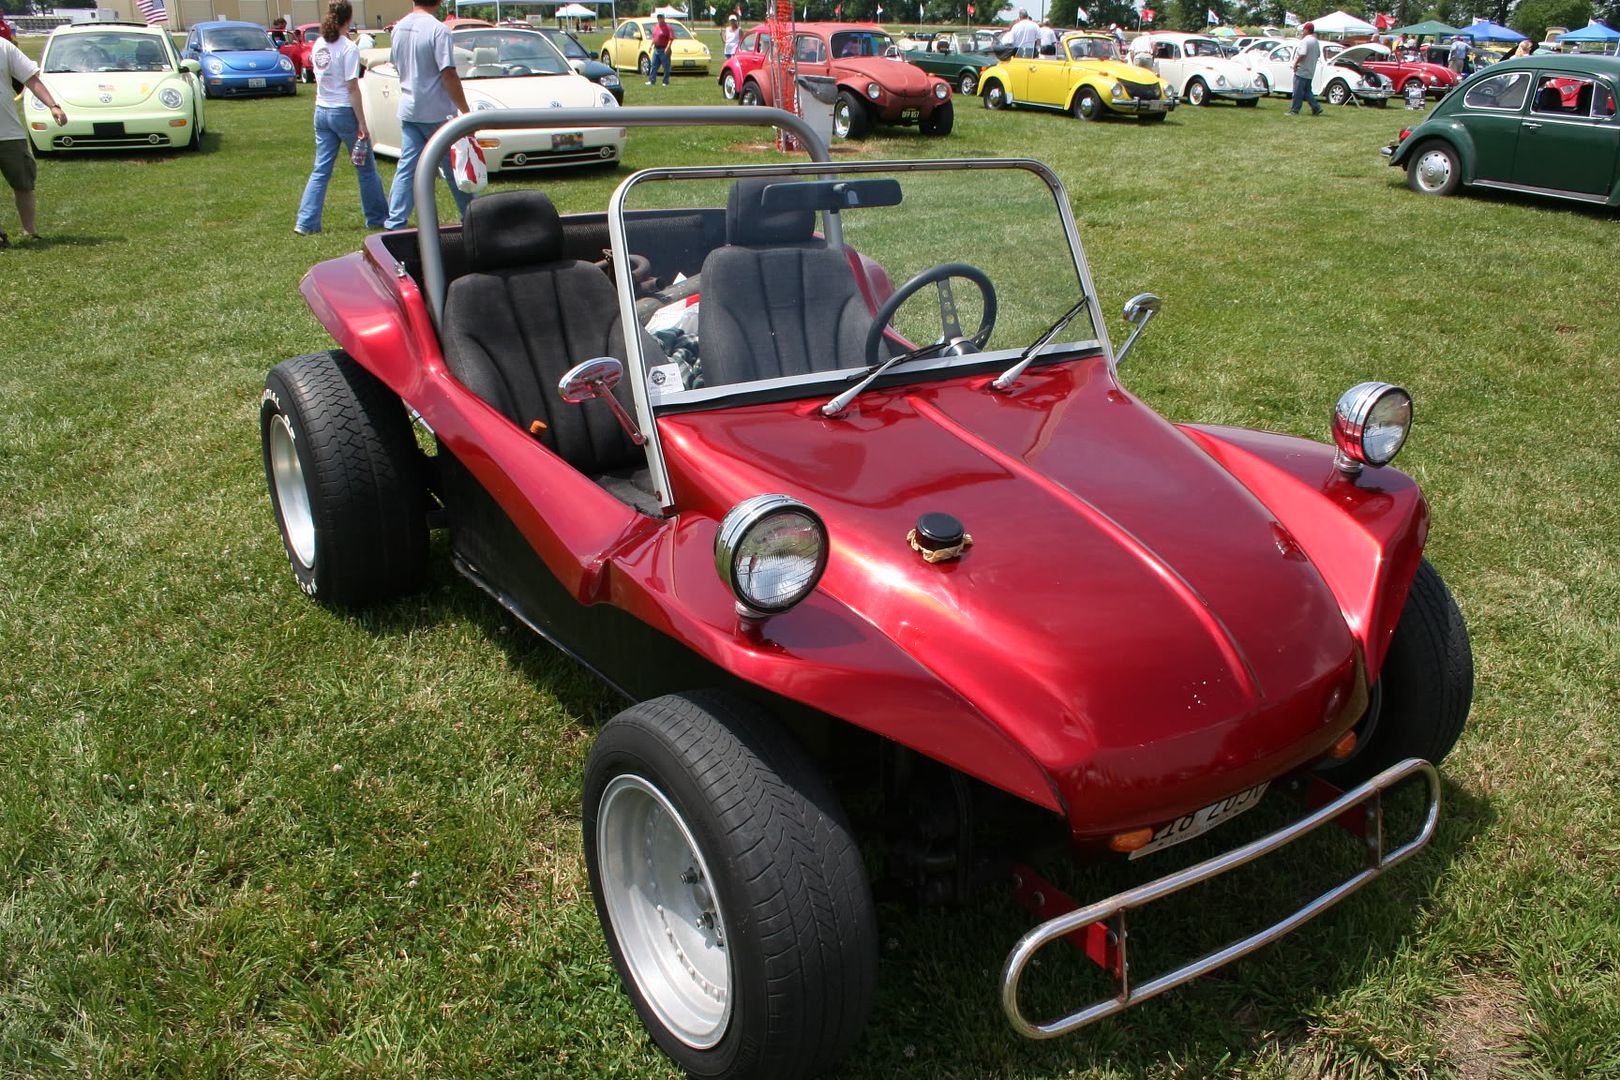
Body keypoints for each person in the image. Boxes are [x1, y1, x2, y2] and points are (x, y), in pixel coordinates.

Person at [296, 0, 386, 235]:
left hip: (322, 111)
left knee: (321, 169)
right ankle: (376, 217)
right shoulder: (347, 48)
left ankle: (306, 223)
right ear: (348, 19)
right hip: (343, 111)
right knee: (365, 168)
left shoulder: (318, 44)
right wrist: (362, 123)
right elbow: (352, 87)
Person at [383, 0, 473, 230]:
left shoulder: (399, 28)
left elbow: (396, 64)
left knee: (407, 169)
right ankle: (472, 217)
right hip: (437, 112)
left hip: (410, 108)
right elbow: (449, 74)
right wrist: (465, 110)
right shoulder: (438, 29)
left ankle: (395, 223)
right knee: (455, 170)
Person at [0, 33, 68, 248]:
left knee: (24, 183)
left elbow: (30, 78)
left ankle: (30, 231)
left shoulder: (3, 47)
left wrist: (53, 105)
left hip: (8, 132)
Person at [1287, 21, 1322, 115]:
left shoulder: (1305, 41)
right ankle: (1316, 107)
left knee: (1297, 92)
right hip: (1310, 70)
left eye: (1304, 30)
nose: (1303, 32)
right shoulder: (1315, 41)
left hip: (1301, 70)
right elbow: (1318, 55)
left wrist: (1295, 64)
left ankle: (1294, 110)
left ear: (1307, 30)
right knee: (1307, 91)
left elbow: (1302, 54)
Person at [649, 12, 673, 85]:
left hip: (664, 49)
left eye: (661, 17)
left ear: (664, 18)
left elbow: (671, 38)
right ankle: (652, 81)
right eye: (658, 17)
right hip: (656, 49)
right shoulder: (656, 26)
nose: (659, 19)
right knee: (653, 65)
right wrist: (651, 45)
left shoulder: (667, 27)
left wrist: (667, 47)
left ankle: (665, 81)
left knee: (666, 66)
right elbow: (654, 37)